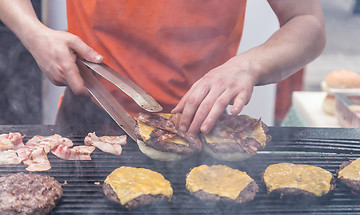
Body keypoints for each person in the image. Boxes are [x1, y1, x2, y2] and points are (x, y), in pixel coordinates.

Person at [0, 0, 326, 137]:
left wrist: (249, 65)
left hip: (196, 128)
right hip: (90, 121)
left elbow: (307, 22)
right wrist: (34, 32)